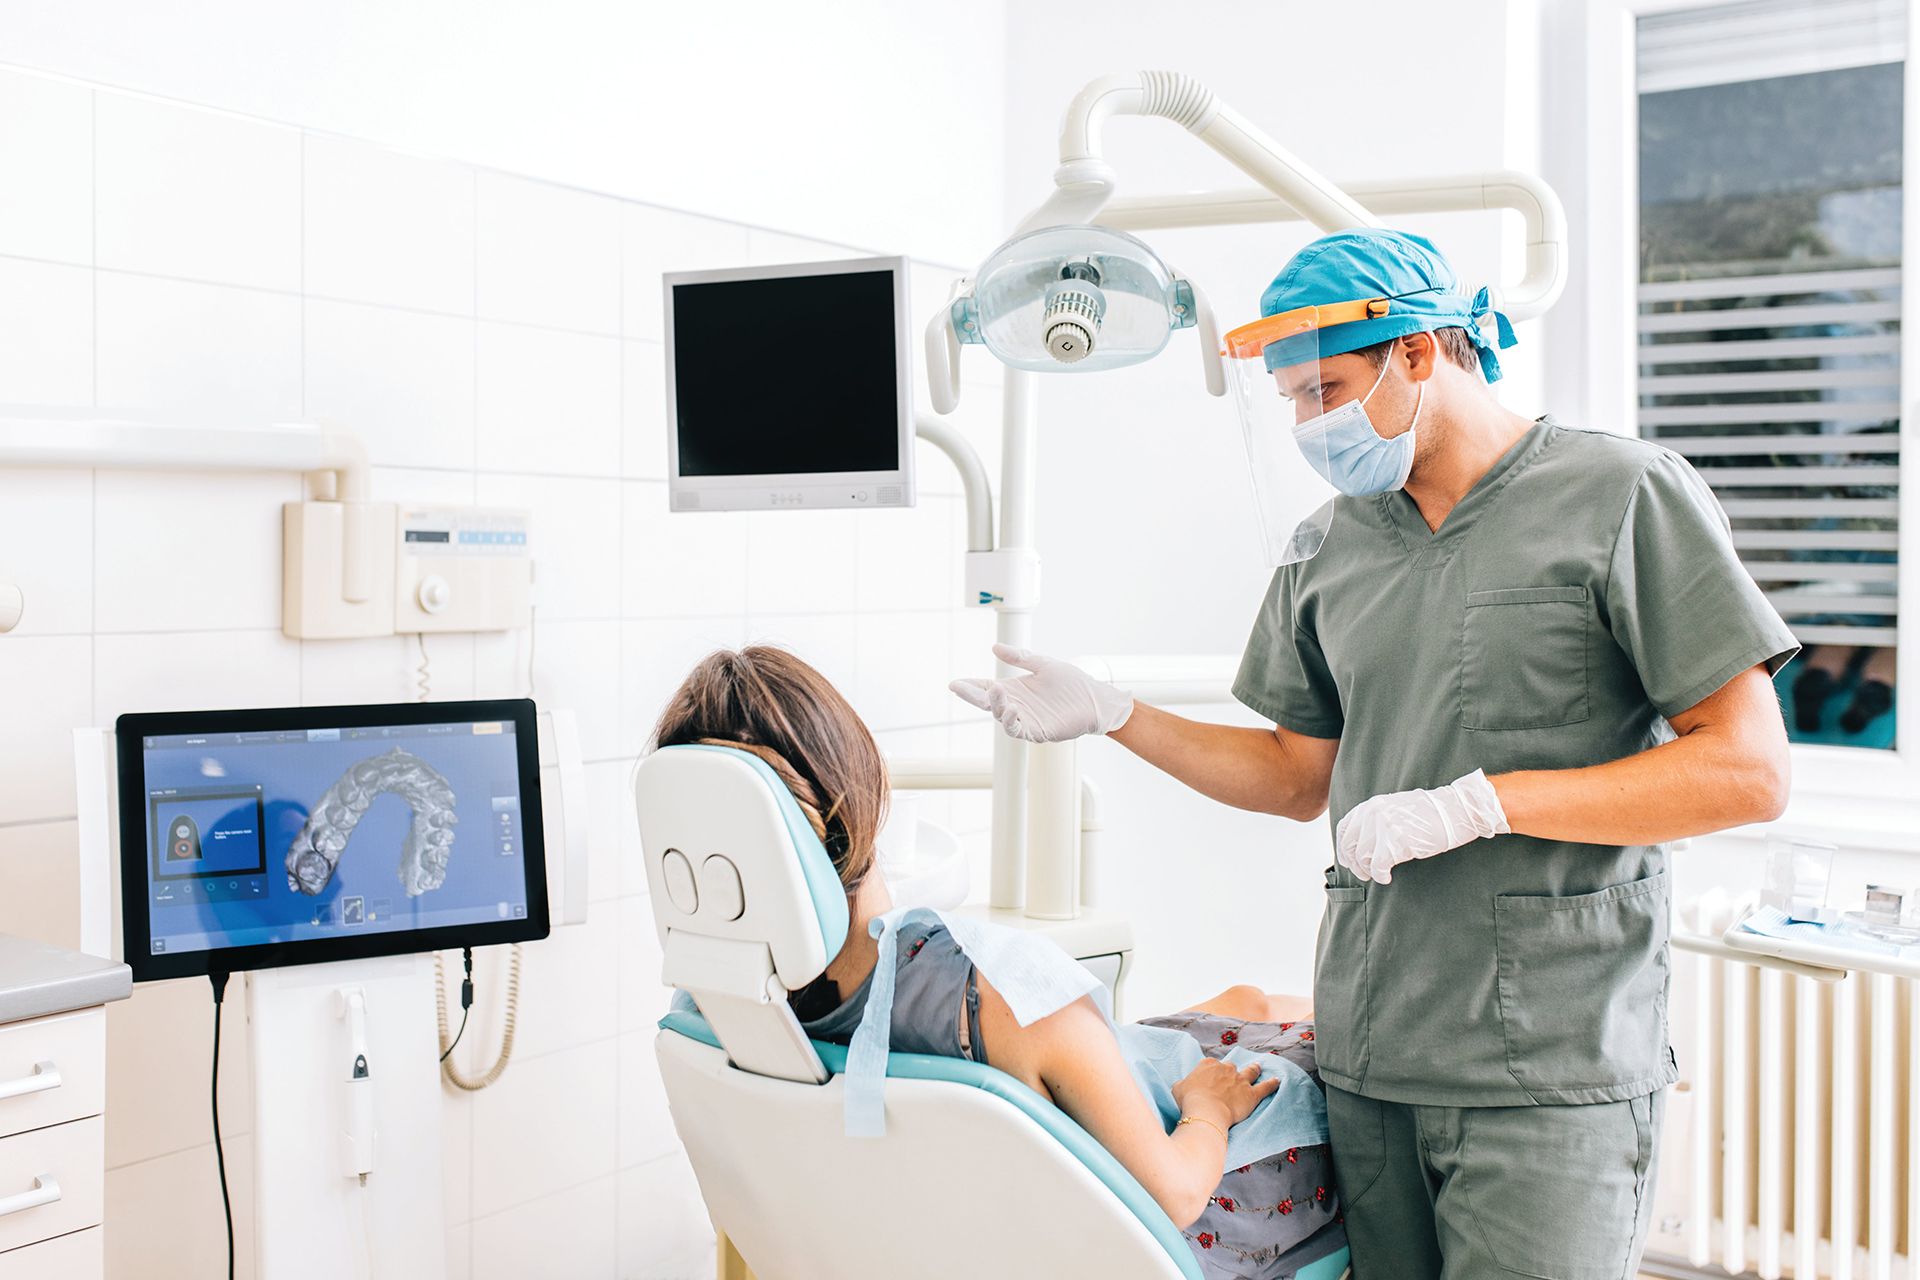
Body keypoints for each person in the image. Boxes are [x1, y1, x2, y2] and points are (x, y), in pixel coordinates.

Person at [951, 229, 1799, 1278]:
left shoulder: (1620, 496)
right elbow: (1294, 773)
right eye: (1296, 400)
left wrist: (1486, 802)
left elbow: (1749, 768)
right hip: (1370, 1053)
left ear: (1419, 351)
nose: (1312, 423)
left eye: (1328, 388)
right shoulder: (1331, 545)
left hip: (1549, 1064)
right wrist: (1117, 713)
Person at [653, 645, 1346, 1278]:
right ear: (859, 788)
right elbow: (1174, 1193)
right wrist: (1206, 1109)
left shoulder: (721, 1011)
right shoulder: (1004, 992)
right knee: (1297, 1026)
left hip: (1025, 1169)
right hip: (1214, 1170)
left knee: (1249, 1000)